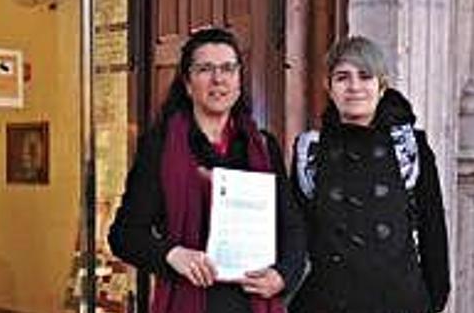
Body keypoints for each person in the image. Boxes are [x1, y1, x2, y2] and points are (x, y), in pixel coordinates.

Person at [108, 27, 305, 313]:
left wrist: (283, 276)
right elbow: (124, 235)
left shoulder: (263, 147)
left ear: (239, 81)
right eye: (205, 69)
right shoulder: (160, 148)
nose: (218, 79)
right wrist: (171, 255)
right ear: (187, 84)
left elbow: (292, 226)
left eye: (228, 68)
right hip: (188, 301)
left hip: (253, 302)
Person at [290, 36, 451, 313]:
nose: (354, 87)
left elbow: (432, 229)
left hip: (399, 301)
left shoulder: (409, 146)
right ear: (328, 86)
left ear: (381, 86)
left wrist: (432, 302)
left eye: (365, 76)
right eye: (342, 77)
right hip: (328, 302)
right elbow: (297, 231)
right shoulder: (310, 149)